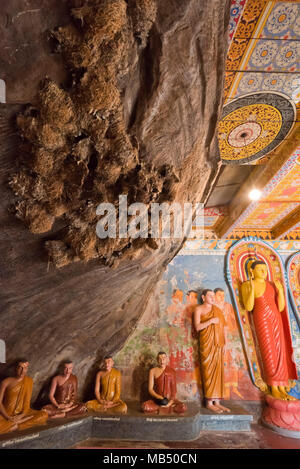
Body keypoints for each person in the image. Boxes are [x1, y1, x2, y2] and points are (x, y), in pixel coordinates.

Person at [241, 260, 297, 400]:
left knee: (280, 351)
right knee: (269, 351)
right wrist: (252, 288)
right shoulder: (248, 284)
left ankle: (282, 387)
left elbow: (281, 307)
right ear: (252, 271)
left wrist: (280, 291)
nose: (263, 271)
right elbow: (248, 307)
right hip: (262, 319)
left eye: (265, 269)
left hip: (276, 318)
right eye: (259, 269)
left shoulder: (271, 285)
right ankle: (273, 386)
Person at [194, 289, 230, 413]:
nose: (213, 298)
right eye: (210, 295)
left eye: (213, 295)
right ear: (203, 297)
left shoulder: (218, 311)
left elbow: (224, 327)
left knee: (219, 371)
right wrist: (210, 321)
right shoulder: (199, 309)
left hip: (218, 344)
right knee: (208, 372)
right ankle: (209, 402)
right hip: (206, 345)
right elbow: (197, 327)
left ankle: (218, 402)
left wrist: (225, 342)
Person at [0, 359, 48, 434]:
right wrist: (8, 417)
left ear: (27, 368)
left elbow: (27, 402)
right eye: (20, 368)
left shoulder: (29, 381)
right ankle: (17, 423)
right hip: (7, 414)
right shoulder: (5, 382)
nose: (23, 371)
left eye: (25, 368)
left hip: (22, 413)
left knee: (43, 415)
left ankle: (16, 426)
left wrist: (21, 415)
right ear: (15, 368)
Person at [214, 288, 243, 399]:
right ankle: (219, 388)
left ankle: (231, 388)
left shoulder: (228, 306)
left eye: (223, 295)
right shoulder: (212, 307)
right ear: (214, 296)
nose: (222, 297)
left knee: (230, 362)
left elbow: (234, 321)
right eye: (219, 295)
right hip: (216, 337)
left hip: (228, 338)